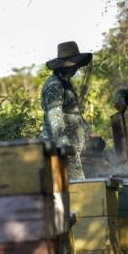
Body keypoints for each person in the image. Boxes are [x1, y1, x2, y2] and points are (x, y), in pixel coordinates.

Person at [41, 41, 94, 180]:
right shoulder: (54, 85)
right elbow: (55, 117)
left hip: (71, 147)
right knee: (78, 187)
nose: (76, 67)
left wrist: (90, 132)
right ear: (64, 64)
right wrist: (65, 147)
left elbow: (73, 113)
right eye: (73, 64)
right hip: (61, 148)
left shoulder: (65, 82)